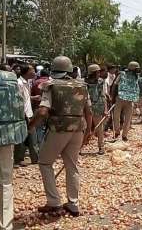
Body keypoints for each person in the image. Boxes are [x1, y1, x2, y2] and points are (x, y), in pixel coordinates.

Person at [28, 56, 92, 217]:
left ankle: (54, 202)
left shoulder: (51, 86)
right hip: (78, 129)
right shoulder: (82, 86)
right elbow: (89, 111)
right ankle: (73, 204)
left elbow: (43, 111)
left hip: (58, 129)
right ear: (70, 69)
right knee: (72, 166)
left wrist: (30, 126)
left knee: (44, 162)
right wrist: (89, 131)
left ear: (53, 69)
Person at [0, 43, 28, 230]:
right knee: (5, 181)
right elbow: (18, 106)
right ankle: (4, 225)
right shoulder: (11, 78)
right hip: (4, 135)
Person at [15, 64, 39, 166]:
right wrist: (25, 116)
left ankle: (31, 159)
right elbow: (19, 102)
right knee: (29, 138)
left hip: (29, 113)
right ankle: (33, 159)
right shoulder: (19, 83)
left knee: (27, 137)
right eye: (32, 70)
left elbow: (25, 98)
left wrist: (33, 98)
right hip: (24, 115)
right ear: (27, 72)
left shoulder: (27, 82)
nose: (34, 72)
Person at [111, 61, 140, 141]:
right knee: (116, 116)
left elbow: (136, 88)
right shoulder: (122, 74)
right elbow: (115, 85)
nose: (137, 71)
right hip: (120, 98)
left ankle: (124, 135)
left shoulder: (136, 76)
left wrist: (136, 100)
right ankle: (117, 131)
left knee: (128, 118)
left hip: (130, 100)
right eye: (136, 69)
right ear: (132, 68)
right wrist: (112, 96)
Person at [85, 64, 108, 155]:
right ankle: (80, 146)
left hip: (98, 107)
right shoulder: (84, 83)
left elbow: (102, 95)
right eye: (97, 72)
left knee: (99, 129)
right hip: (86, 107)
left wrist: (105, 109)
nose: (99, 73)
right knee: (84, 128)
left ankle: (101, 147)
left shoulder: (100, 82)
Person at [31, 69, 50, 148]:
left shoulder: (35, 82)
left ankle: (40, 146)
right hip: (49, 109)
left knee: (39, 128)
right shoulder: (51, 82)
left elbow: (32, 94)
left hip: (38, 108)